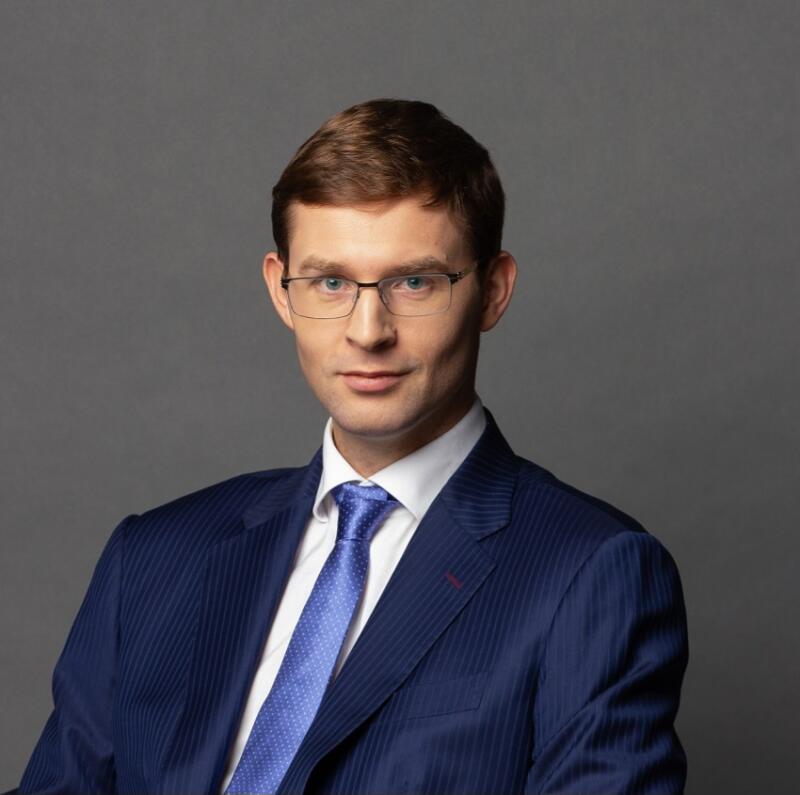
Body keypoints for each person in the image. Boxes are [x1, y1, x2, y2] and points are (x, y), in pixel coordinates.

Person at [17, 98, 688, 795]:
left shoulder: (592, 574)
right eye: (331, 282)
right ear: (282, 291)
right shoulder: (152, 559)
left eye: (415, 282)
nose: (368, 330)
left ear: (493, 291)